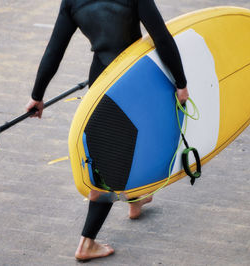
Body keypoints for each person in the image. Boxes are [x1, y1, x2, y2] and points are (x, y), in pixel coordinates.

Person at [25, 0, 189, 261]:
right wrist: (181, 83)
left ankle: (135, 200)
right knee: (110, 162)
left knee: (124, 142)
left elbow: (54, 50)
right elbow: (161, 38)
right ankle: (86, 243)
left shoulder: (72, 2)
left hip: (102, 83)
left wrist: (37, 94)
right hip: (134, 79)